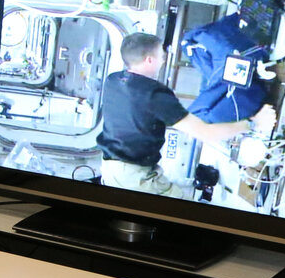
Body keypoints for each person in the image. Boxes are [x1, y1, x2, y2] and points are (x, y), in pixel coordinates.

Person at [96, 32, 275, 198]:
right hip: (133, 179)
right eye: (161, 56)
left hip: (113, 171)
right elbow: (205, 133)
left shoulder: (113, 80)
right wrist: (254, 122)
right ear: (149, 60)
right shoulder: (153, 95)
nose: (163, 60)